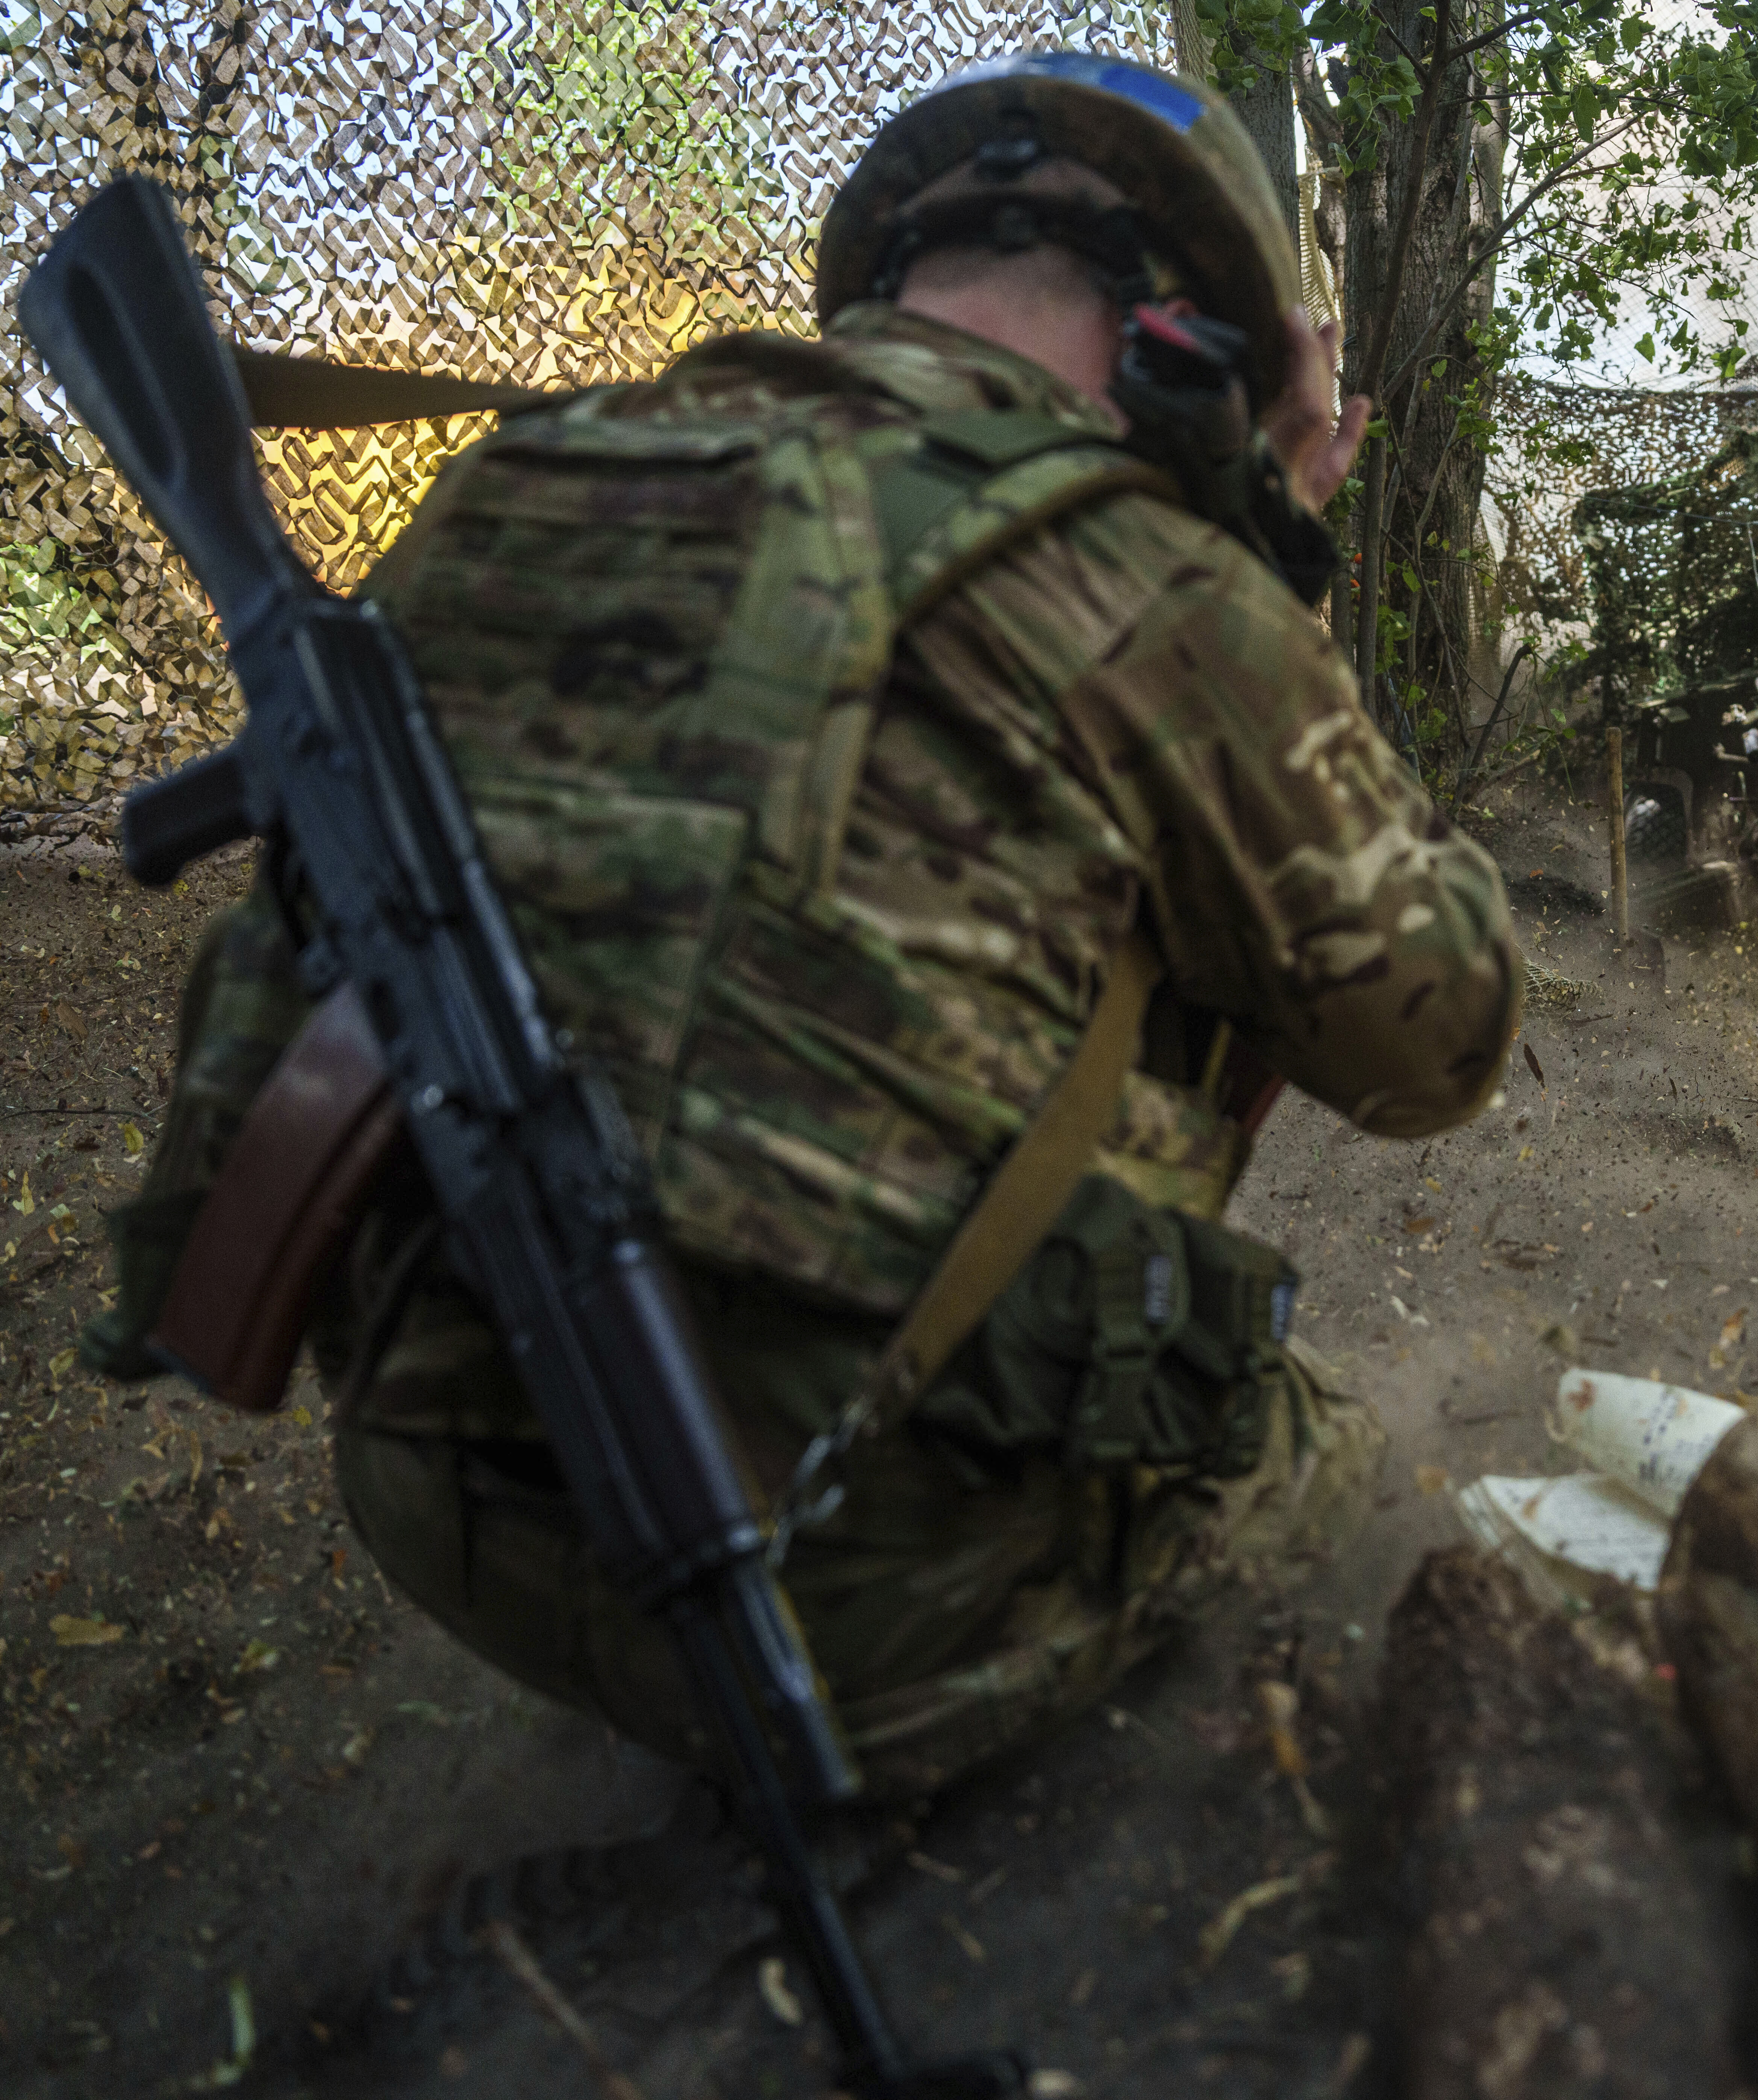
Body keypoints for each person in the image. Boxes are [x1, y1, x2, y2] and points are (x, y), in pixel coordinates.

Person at [84, 52, 1520, 1799]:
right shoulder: (1148, 578)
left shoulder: (516, 475)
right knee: (1359, 1493)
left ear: (888, 274)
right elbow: (1435, 1043)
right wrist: (1264, 567)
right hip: (875, 1586)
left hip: (445, 1493)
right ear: (1194, 346)